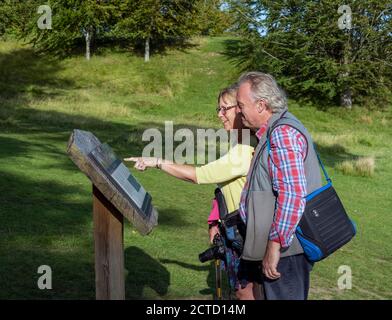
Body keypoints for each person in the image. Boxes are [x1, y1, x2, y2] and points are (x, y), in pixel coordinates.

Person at [125, 85, 260, 300]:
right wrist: (214, 221)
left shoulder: (244, 150)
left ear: (241, 109)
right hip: (240, 229)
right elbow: (224, 187)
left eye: (225, 108)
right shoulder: (243, 143)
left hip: (245, 231)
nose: (219, 115)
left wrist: (157, 162)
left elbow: (197, 175)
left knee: (246, 292)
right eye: (218, 109)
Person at [235, 71, 322, 300]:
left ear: (261, 105)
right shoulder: (273, 130)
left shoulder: (282, 133)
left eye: (241, 105)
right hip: (282, 249)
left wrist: (275, 245)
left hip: (286, 253)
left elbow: (292, 194)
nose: (238, 110)